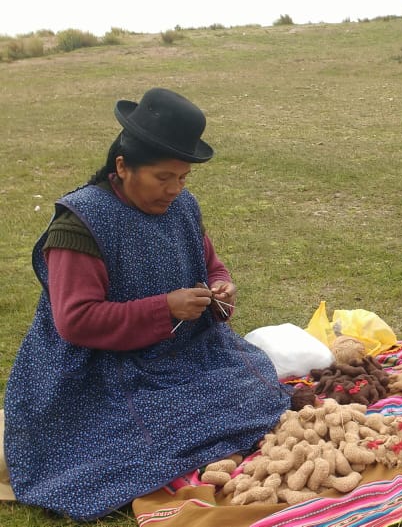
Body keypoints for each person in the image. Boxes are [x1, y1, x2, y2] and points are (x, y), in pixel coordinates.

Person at [2, 88, 290, 520]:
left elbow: (211, 264)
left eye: (183, 178)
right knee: (125, 441)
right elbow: (75, 321)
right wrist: (166, 308)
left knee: (254, 388)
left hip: (178, 353)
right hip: (94, 368)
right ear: (123, 167)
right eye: (162, 177)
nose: (175, 189)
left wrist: (220, 287)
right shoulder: (80, 224)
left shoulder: (182, 207)